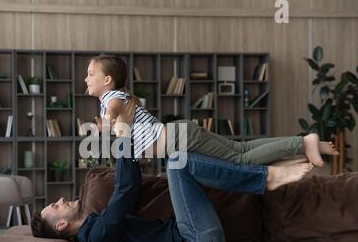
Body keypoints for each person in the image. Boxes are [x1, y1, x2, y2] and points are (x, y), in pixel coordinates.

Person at [31, 110, 314, 242]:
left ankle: (271, 168)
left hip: (193, 234)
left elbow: (127, 189)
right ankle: (264, 178)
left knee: (180, 158)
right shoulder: (94, 239)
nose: (59, 200)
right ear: (60, 227)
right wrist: (123, 135)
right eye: (54, 207)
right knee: (178, 162)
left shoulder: (96, 225)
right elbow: (126, 191)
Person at [86, 54, 339, 166]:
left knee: (241, 159)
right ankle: (312, 143)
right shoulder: (116, 96)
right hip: (178, 134)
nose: (86, 79)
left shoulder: (112, 97)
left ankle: (303, 143)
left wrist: (107, 122)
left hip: (177, 138)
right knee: (242, 149)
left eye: (90, 74)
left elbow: (115, 107)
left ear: (108, 79)